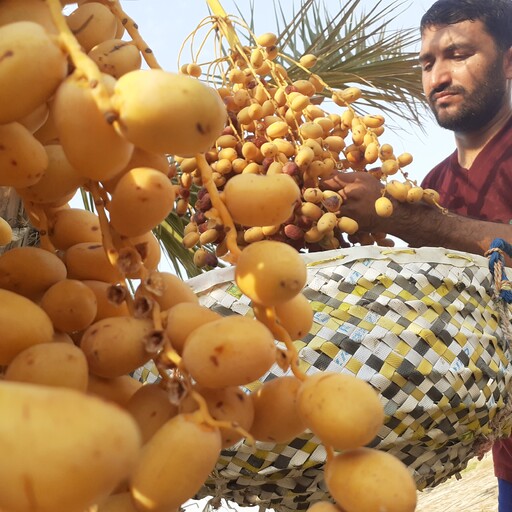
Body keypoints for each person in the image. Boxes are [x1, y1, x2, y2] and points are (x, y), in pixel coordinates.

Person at [322, 0, 512, 509]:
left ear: (509, 61)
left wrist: (408, 222)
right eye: (427, 63)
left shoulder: (418, 207)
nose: (439, 75)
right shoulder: (431, 185)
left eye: (458, 53)